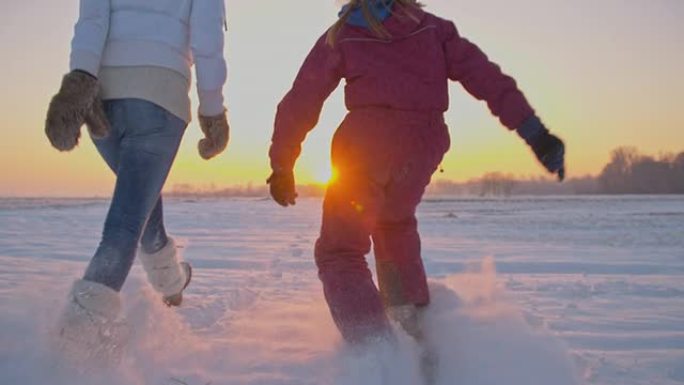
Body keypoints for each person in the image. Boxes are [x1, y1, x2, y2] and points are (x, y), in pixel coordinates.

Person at [267, 0, 565, 344]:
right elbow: (489, 80)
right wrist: (536, 135)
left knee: (340, 251)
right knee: (394, 226)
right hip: (422, 146)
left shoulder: (345, 33)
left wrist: (282, 164)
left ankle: (375, 356)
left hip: (366, 146)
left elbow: (302, 98)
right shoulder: (433, 28)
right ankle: (416, 338)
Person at [44, 0, 229, 361]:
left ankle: (170, 282)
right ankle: (73, 345)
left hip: (103, 100)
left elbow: (92, 20)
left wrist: (79, 81)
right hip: (160, 96)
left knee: (139, 199)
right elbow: (207, 42)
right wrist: (213, 110)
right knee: (127, 220)